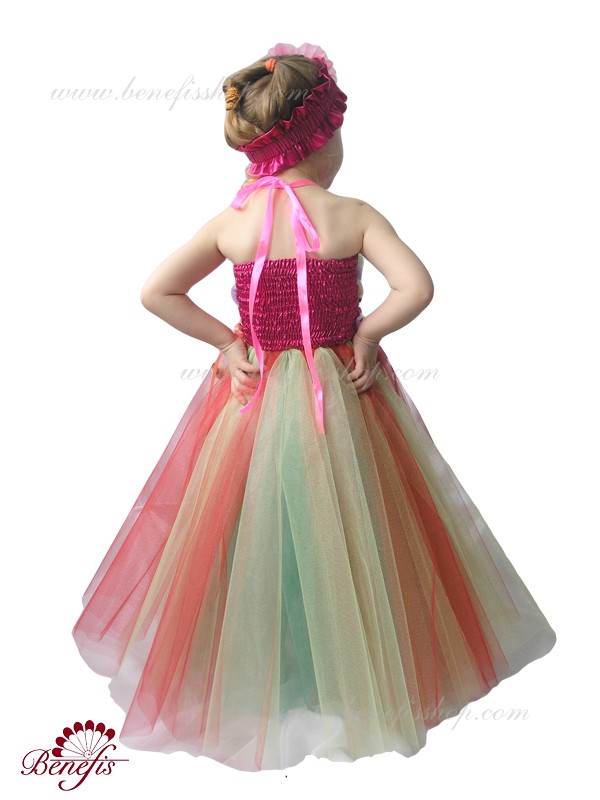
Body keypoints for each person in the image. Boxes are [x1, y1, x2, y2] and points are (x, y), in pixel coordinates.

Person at [72, 42, 557, 772]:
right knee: (358, 528)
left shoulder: (234, 222)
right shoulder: (352, 214)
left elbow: (157, 292)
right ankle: (354, 674)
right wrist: (366, 333)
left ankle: (270, 674)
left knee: (251, 528)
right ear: (322, 139)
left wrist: (229, 343)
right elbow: (417, 287)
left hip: (255, 400)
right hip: (344, 403)